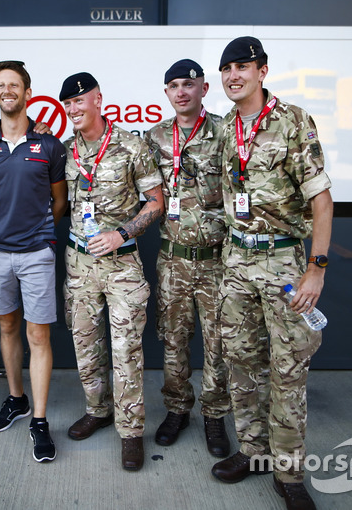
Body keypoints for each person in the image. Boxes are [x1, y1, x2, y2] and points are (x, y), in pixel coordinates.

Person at [211, 37, 333, 510]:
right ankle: (252, 450)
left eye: (242, 66)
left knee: (287, 370)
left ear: (262, 71)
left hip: (284, 262)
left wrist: (316, 270)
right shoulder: (226, 129)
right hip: (237, 261)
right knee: (241, 363)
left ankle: (289, 474)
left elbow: (321, 200)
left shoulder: (293, 121)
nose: (233, 76)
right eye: (226, 69)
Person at [60, 72, 165, 471]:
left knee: (125, 351)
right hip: (79, 264)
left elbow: (155, 203)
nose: (73, 108)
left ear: (98, 99)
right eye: (67, 103)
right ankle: (98, 410)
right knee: (85, 346)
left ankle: (132, 431)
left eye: (79, 100)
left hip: (121, 266)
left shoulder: (131, 146)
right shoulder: (65, 151)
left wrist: (122, 233)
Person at [0, 60, 68, 463]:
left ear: (28, 92)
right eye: (0, 85)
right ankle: (16, 399)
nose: (7, 90)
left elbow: (59, 200)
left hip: (36, 254)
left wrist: (40, 233)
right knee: (6, 325)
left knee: (38, 336)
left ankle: (40, 421)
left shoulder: (48, 146)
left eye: (14, 85)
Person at [143, 59, 231, 456]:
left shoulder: (225, 133)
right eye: (174, 85)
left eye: (189, 84)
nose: (181, 91)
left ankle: (214, 417)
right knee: (174, 341)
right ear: (166, 92)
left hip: (216, 261)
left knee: (218, 344)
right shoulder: (153, 137)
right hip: (173, 261)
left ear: (203, 89)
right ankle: (177, 409)